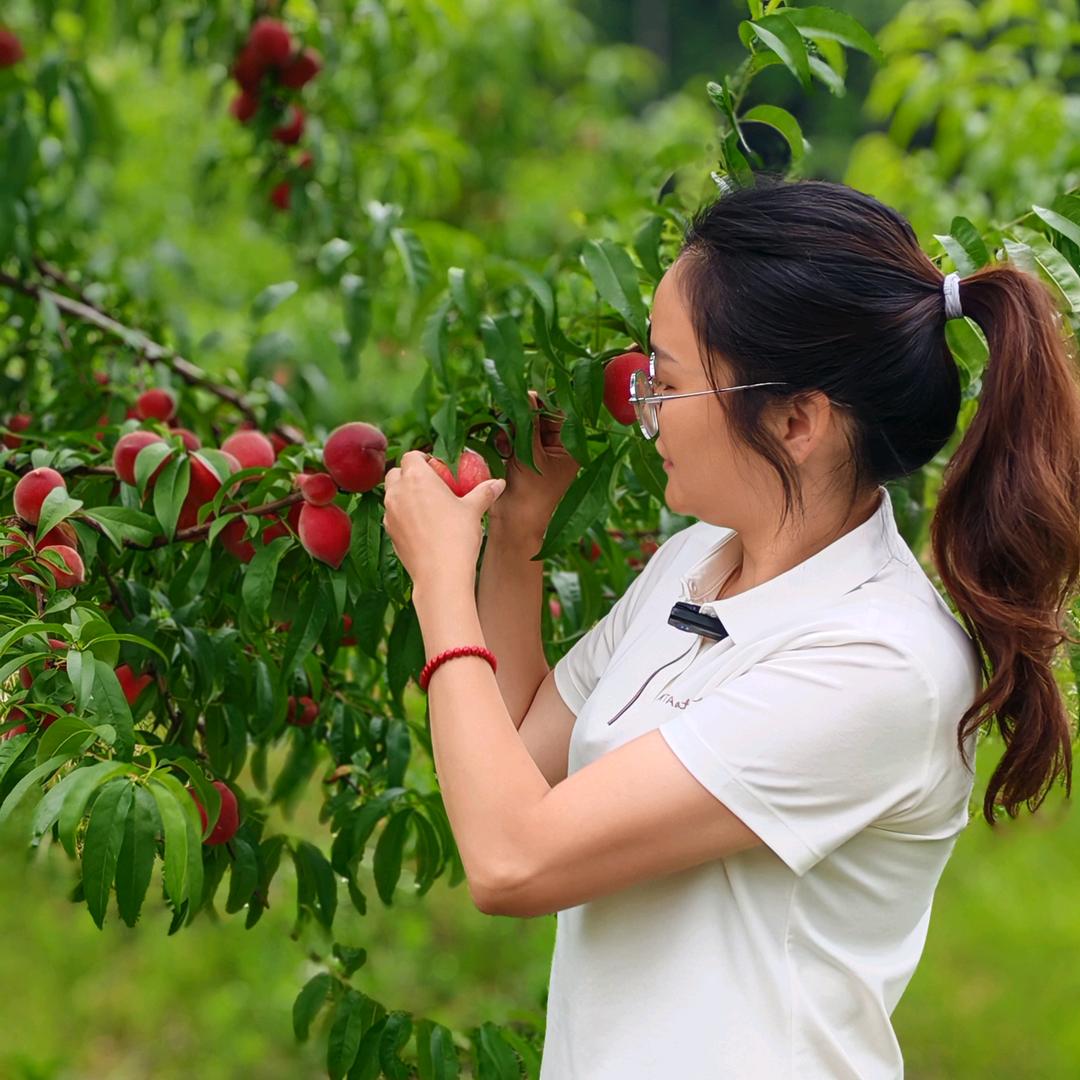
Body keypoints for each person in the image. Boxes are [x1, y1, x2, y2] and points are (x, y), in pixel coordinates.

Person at [481, 174, 1080, 1078]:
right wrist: (516, 535)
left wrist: (435, 589)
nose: (644, 408)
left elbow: (512, 860)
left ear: (798, 419)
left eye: (669, 383)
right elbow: (514, 766)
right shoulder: (691, 563)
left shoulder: (880, 661)